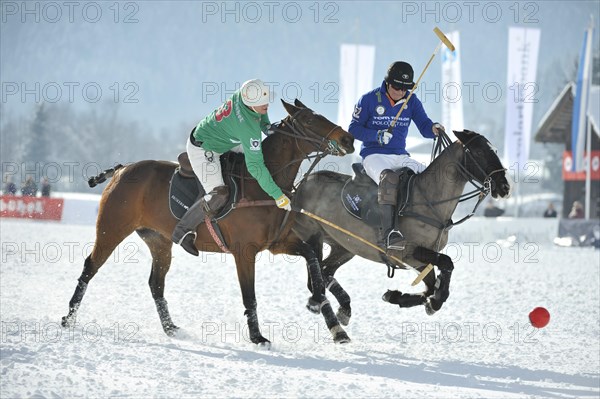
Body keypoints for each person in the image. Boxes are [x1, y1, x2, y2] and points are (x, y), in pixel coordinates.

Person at [172, 79, 291, 256]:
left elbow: (260, 114)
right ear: (250, 104)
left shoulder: (245, 96)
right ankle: (182, 231)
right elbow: (255, 167)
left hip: (223, 139)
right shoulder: (247, 128)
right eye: (261, 103)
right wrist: (278, 195)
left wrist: (266, 126)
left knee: (261, 153)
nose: (266, 105)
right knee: (219, 194)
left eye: (266, 101)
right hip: (204, 149)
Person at [349, 61, 444, 251]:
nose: (401, 92)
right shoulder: (368, 100)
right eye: (397, 87)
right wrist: (376, 135)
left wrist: (433, 128)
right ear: (388, 83)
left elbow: (424, 125)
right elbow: (353, 129)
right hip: (373, 155)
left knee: (430, 177)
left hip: (400, 155)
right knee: (389, 179)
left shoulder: (412, 101)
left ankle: (429, 227)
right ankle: (389, 233)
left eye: (405, 88)